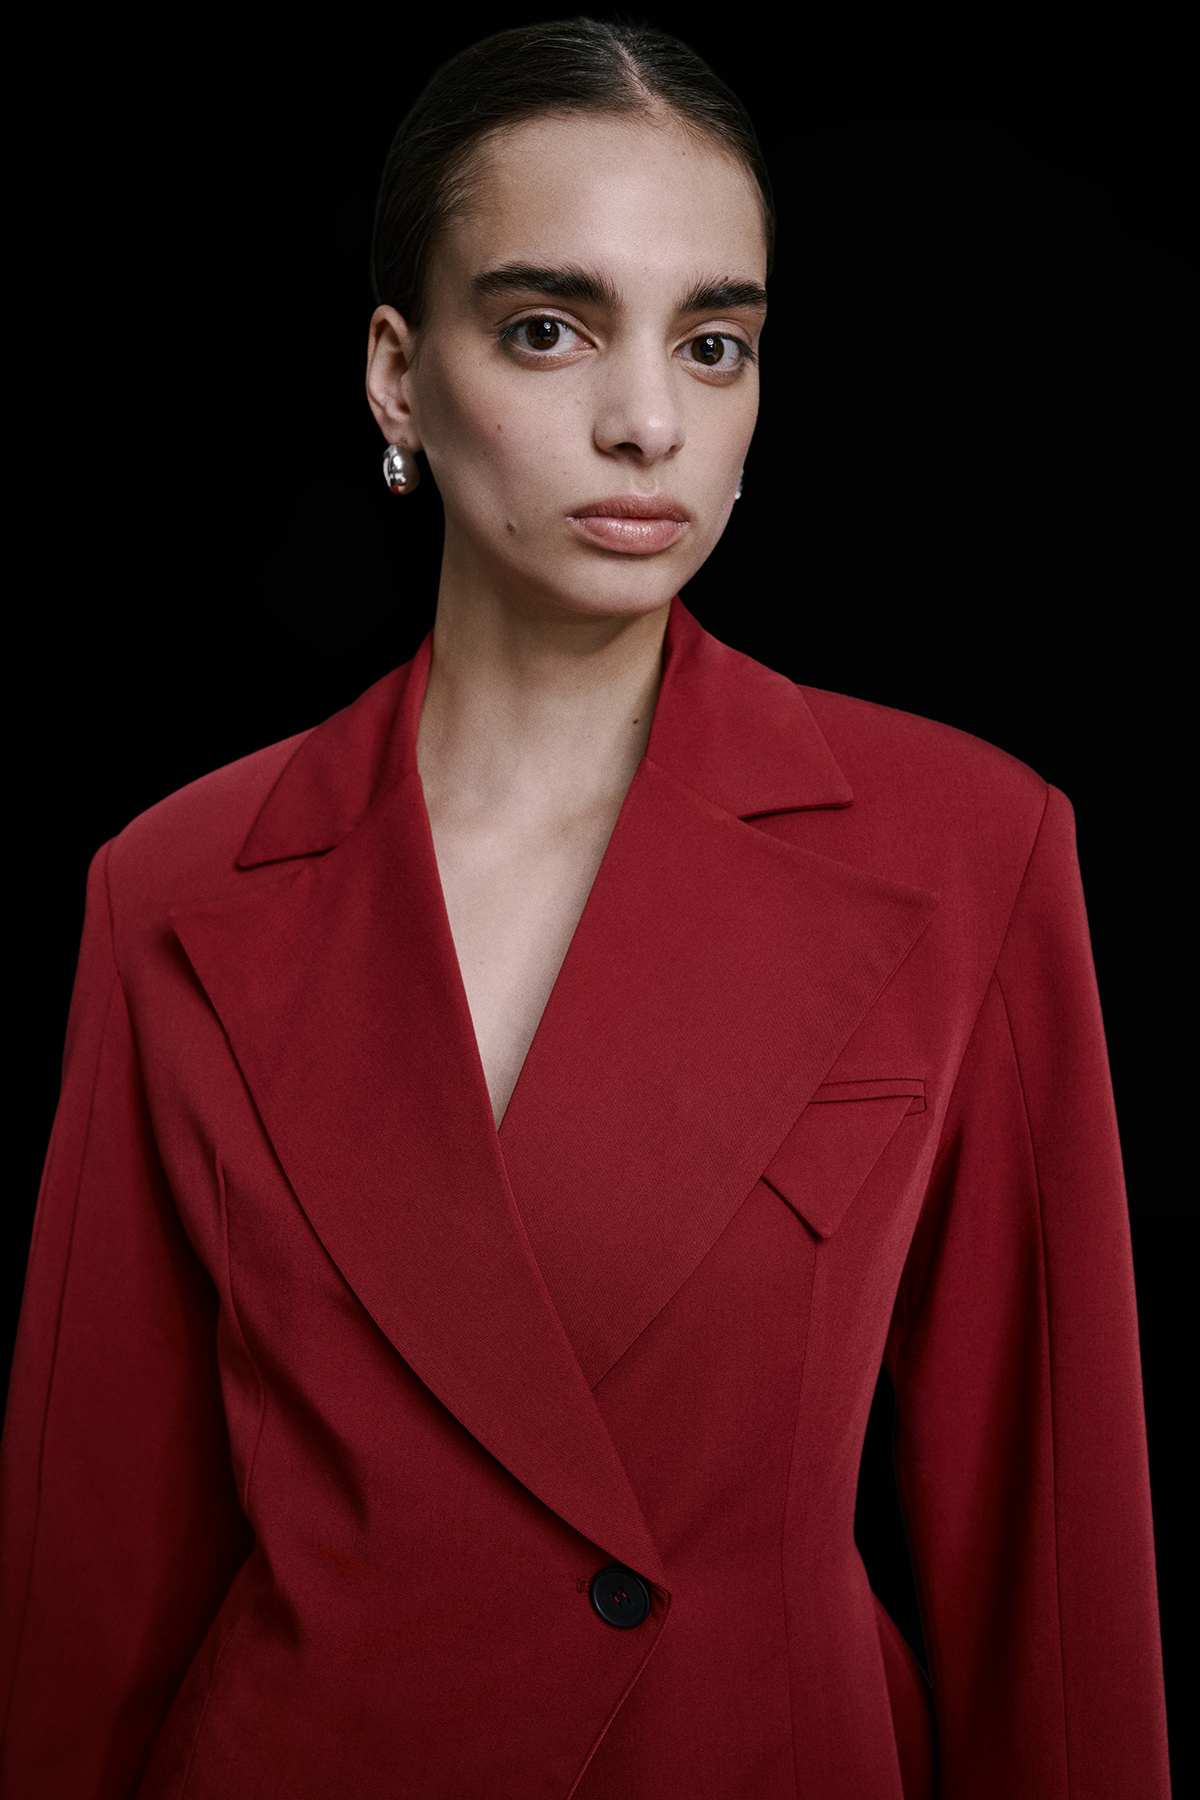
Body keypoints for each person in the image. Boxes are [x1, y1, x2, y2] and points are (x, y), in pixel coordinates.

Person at [0, 17, 1170, 1799]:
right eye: (549, 328)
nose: (647, 422)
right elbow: (89, 1581)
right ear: (398, 378)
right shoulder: (171, 884)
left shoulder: (972, 850)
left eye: (714, 343)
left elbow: (1049, 1562)